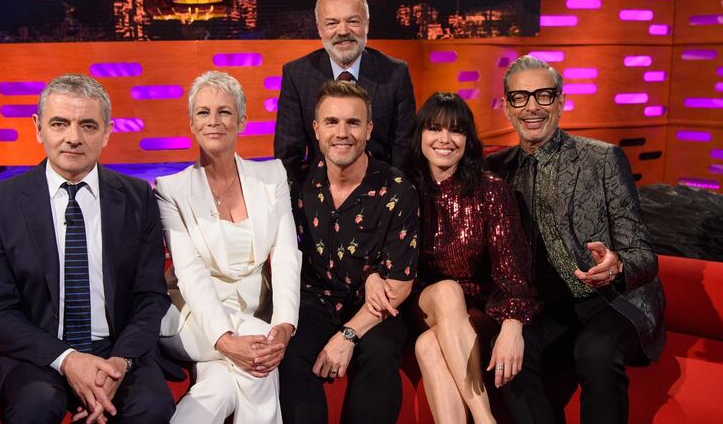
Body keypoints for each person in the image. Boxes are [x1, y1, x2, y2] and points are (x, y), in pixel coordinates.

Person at [0, 74, 175, 424]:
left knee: (154, 409)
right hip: (38, 352)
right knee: (32, 410)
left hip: (118, 350)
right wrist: (68, 359)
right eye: (60, 123)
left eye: (88, 126)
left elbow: (151, 296)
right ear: (38, 128)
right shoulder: (0, 202)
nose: (73, 138)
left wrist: (119, 362)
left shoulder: (138, 197)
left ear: (107, 132)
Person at [484, 55, 666, 424]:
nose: (532, 106)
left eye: (544, 95)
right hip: (549, 308)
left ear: (561, 101)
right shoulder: (495, 171)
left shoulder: (602, 159)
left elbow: (644, 254)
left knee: (594, 351)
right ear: (506, 107)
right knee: (508, 354)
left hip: (614, 300)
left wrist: (617, 266)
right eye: (519, 97)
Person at [155, 71, 301, 424]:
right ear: (191, 123)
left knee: (218, 387)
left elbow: (284, 255)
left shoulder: (272, 177)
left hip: (254, 315)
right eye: (203, 113)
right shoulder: (170, 189)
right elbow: (190, 274)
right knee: (257, 346)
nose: (213, 121)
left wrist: (284, 323)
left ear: (242, 121)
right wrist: (225, 340)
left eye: (224, 111)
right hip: (190, 320)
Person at [279, 81, 419, 424]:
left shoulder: (397, 189)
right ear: (316, 129)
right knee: (289, 353)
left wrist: (348, 334)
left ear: (369, 129)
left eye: (353, 123)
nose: (342, 133)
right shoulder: (294, 182)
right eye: (331, 122)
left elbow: (399, 287)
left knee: (382, 353)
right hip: (312, 299)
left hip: (374, 306)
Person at [401, 93, 540, 424]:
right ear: (420, 134)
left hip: (476, 310)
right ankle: (485, 419)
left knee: (428, 347)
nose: (445, 140)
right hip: (420, 303)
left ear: (468, 139)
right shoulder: (404, 188)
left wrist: (512, 323)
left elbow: (512, 265)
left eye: (456, 131)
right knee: (447, 290)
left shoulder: (490, 190)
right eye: (435, 129)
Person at [274, 0, 416, 178]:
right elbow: (288, 155)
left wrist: (391, 200)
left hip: (382, 192)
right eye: (332, 23)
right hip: (319, 194)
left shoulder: (395, 74)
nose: (342, 31)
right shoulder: (296, 74)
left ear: (366, 24)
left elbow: (403, 150)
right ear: (319, 29)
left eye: (353, 21)